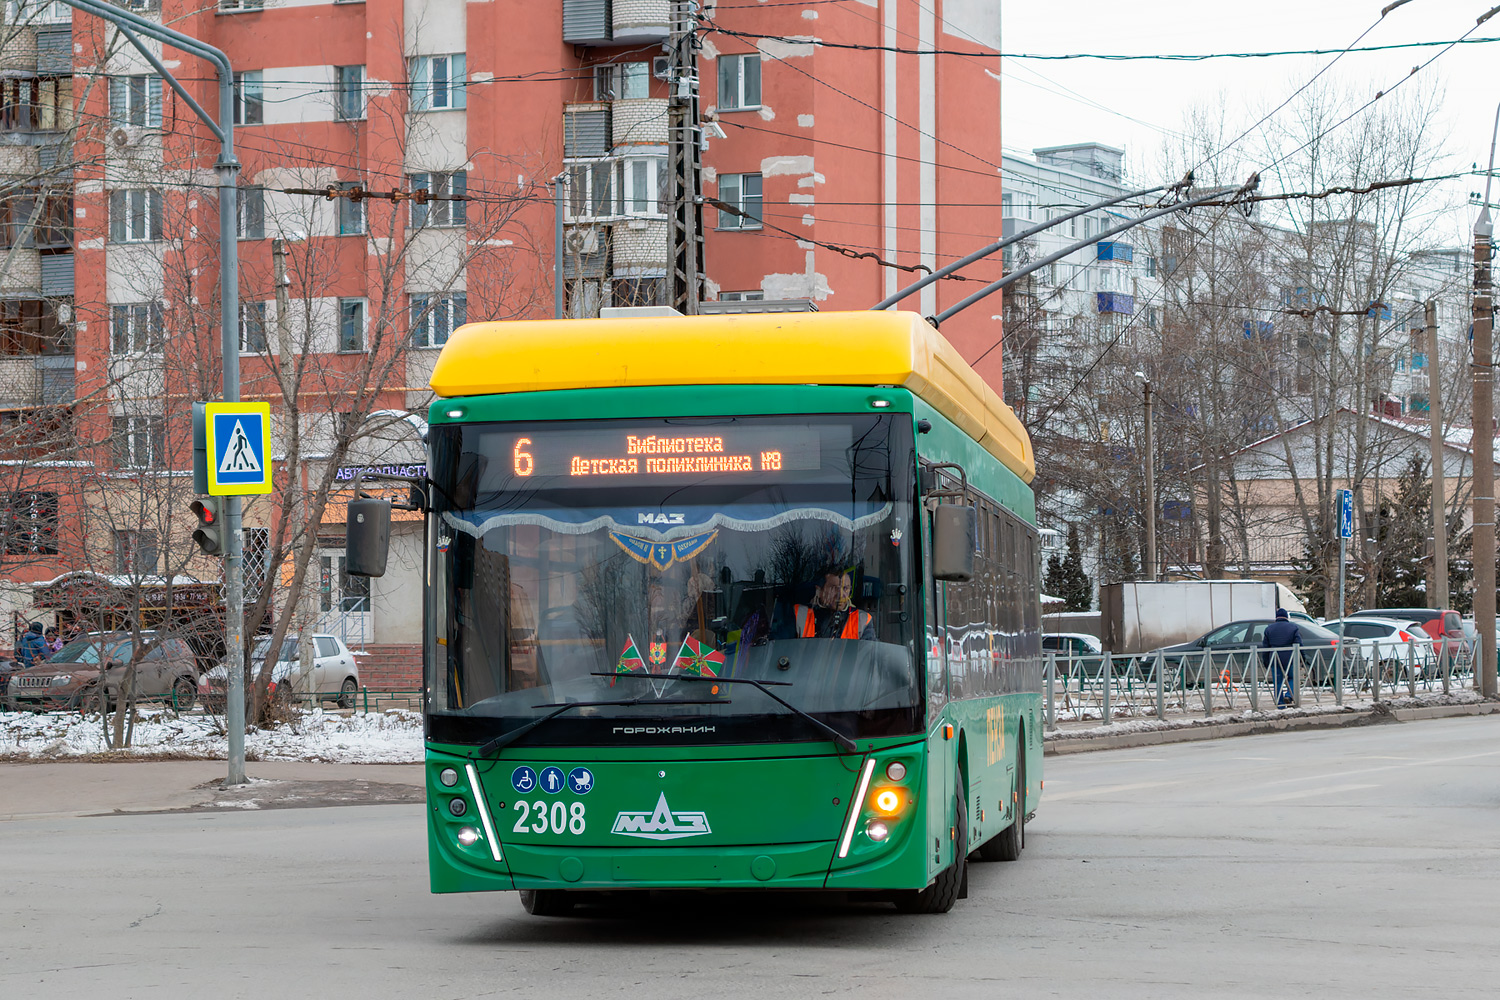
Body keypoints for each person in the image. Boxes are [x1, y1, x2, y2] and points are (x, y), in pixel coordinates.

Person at [793, 568, 876, 641]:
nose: (840, 594)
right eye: (834, 588)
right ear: (819, 590)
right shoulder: (799, 614)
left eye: (845, 588)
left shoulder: (862, 620)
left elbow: (869, 654)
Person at [1261, 608, 1302, 708]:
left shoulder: (1269, 628)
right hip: (1290, 658)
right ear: (1286, 617)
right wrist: (1302, 658)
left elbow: (1265, 647)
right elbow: (1299, 644)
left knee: (1278, 682)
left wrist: (1266, 661)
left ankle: (1280, 704)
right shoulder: (1293, 628)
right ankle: (1289, 695)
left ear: (1276, 617)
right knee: (1293, 678)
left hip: (1275, 658)